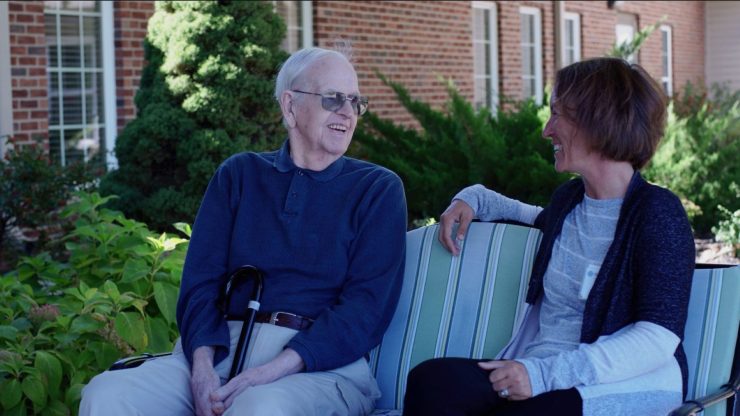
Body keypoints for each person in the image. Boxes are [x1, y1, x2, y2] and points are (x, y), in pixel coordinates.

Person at [81, 46, 407, 416]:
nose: (348, 112)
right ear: (290, 106)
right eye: (333, 98)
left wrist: (268, 372)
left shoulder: (376, 189)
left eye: (355, 101)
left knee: (259, 406)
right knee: (108, 394)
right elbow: (200, 284)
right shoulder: (239, 175)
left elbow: (366, 308)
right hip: (223, 349)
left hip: (318, 366)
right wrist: (202, 370)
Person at [403, 57, 695, 416]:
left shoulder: (657, 212)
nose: (547, 130)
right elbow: (528, 215)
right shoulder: (569, 201)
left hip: (619, 383)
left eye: (557, 114)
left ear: (597, 119)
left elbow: (657, 338)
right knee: (432, 382)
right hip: (541, 370)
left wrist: (542, 375)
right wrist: (472, 198)